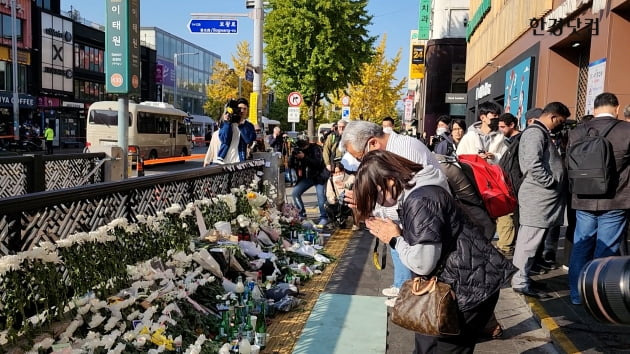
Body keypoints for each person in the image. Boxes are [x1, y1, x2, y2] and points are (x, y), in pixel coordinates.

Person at [354, 150, 516, 353]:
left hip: (466, 290)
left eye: (375, 195)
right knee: (428, 345)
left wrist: (394, 239)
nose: (378, 203)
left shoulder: (421, 200)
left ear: (389, 182)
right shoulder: (422, 188)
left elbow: (423, 263)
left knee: (440, 348)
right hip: (464, 282)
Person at [339, 120, 448, 306]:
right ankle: (403, 287)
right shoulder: (395, 150)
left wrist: (369, 205)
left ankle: (407, 291)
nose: (362, 163)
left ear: (373, 143)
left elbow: (403, 205)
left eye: (360, 157)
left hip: (429, 235)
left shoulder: (405, 153)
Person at [568, 92, 630, 305]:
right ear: (617, 107)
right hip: (615, 198)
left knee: (581, 245)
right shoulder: (626, 130)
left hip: (583, 198)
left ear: (594, 109)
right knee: (607, 249)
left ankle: (576, 295)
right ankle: (597, 296)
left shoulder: (577, 132)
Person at [512, 102, 570, 298]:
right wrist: (551, 183)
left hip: (541, 198)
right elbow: (533, 164)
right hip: (538, 198)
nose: (560, 125)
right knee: (529, 242)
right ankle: (520, 281)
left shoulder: (539, 133)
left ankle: (523, 278)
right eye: (560, 121)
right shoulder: (535, 133)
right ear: (553, 117)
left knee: (530, 241)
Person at [495, 112, 521, 256]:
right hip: (508, 184)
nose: (501, 130)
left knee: (511, 217)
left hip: (515, 185)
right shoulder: (510, 141)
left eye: (503, 127)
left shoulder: (519, 140)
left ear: (512, 125)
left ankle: (507, 246)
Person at [289, 137, 329, 226]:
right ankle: (301, 213)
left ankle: (324, 217)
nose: (301, 148)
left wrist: (304, 157)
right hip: (307, 177)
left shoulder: (316, 149)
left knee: (321, 197)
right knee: (295, 192)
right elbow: (291, 165)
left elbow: (317, 163)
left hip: (319, 176)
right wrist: (292, 156)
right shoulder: (298, 150)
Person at [216, 98, 256, 164]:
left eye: (245, 109)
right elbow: (224, 139)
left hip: (239, 161)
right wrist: (227, 123)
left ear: (247, 110)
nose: (242, 111)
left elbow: (248, 140)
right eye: (240, 108)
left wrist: (241, 125)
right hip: (224, 161)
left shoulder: (249, 126)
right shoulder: (227, 123)